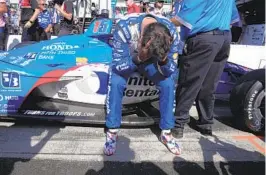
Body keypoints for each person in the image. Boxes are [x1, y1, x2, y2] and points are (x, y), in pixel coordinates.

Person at [103, 13, 183, 156]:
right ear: (140, 38)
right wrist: (139, 57)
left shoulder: (171, 34)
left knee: (168, 83)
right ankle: (112, 130)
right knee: (116, 81)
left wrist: (163, 60)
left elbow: (170, 70)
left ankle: (166, 132)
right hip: (128, 58)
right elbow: (117, 67)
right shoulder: (124, 27)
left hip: (152, 63)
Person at [170, 0, 240, 138]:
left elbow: (182, 19)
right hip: (224, 38)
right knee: (209, 84)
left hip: (204, 39)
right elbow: (233, 19)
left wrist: (157, 21)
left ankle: (178, 124)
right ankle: (205, 124)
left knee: (189, 82)